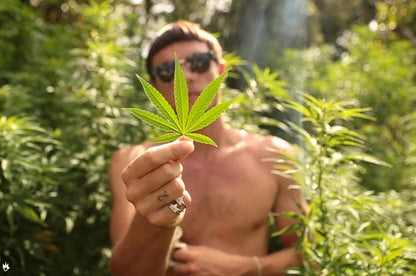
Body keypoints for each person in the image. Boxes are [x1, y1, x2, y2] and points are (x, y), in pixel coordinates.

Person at [109, 20, 308, 276]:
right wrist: (157, 221)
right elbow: (125, 272)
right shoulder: (135, 162)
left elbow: (307, 254)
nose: (187, 76)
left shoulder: (272, 155)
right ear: (155, 86)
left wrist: (247, 267)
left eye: (199, 62)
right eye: (169, 70)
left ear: (221, 70)